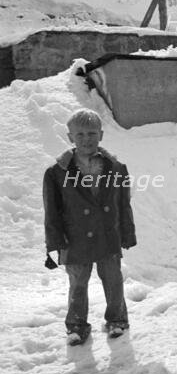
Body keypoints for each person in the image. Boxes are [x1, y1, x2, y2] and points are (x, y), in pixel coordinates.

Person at [43, 109, 137, 345]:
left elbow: (123, 204)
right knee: (77, 283)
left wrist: (127, 234)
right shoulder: (56, 172)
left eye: (92, 133)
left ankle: (117, 319)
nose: (87, 139)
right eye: (80, 134)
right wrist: (54, 243)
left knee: (113, 280)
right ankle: (76, 325)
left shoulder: (116, 167)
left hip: (108, 235)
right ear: (70, 137)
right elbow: (51, 212)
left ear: (101, 135)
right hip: (75, 238)